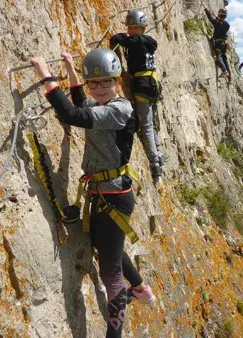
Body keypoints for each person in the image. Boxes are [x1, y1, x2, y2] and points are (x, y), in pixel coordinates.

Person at [30, 48, 156, 338]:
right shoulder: (105, 103)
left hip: (113, 196)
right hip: (104, 193)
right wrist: (72, 70)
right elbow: (83, 102)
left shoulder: (119, 109)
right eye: (94, 83)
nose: (99, 89)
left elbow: (72, 114)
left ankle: (116, 332)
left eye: (105, 83)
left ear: (116, 81)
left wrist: (46, 76)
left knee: (110, 273)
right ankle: (140, 290)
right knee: (107, 246)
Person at [110, 9, 165, 186]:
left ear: (142, 28)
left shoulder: (137, 41)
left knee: (146, 125)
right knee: (152, 122)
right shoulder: (147, 41)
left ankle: (155, 166)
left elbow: (116, 40)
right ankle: (159, 153)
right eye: (130, 27)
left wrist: (124, 36)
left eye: (135, 27)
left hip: (143, 85)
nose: (132, 30)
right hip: (152, 84)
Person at [205, 8, 231, 81]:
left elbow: (210, 18)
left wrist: (206, 10)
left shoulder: (216, 22)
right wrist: (216, 17)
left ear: (219, 14)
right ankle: (229, 76)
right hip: (224, 44)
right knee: (224, 59)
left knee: (218, 58)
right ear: (225, 16)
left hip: (218, 43)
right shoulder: (227, 25)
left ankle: (225, 71)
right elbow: (221, 23)